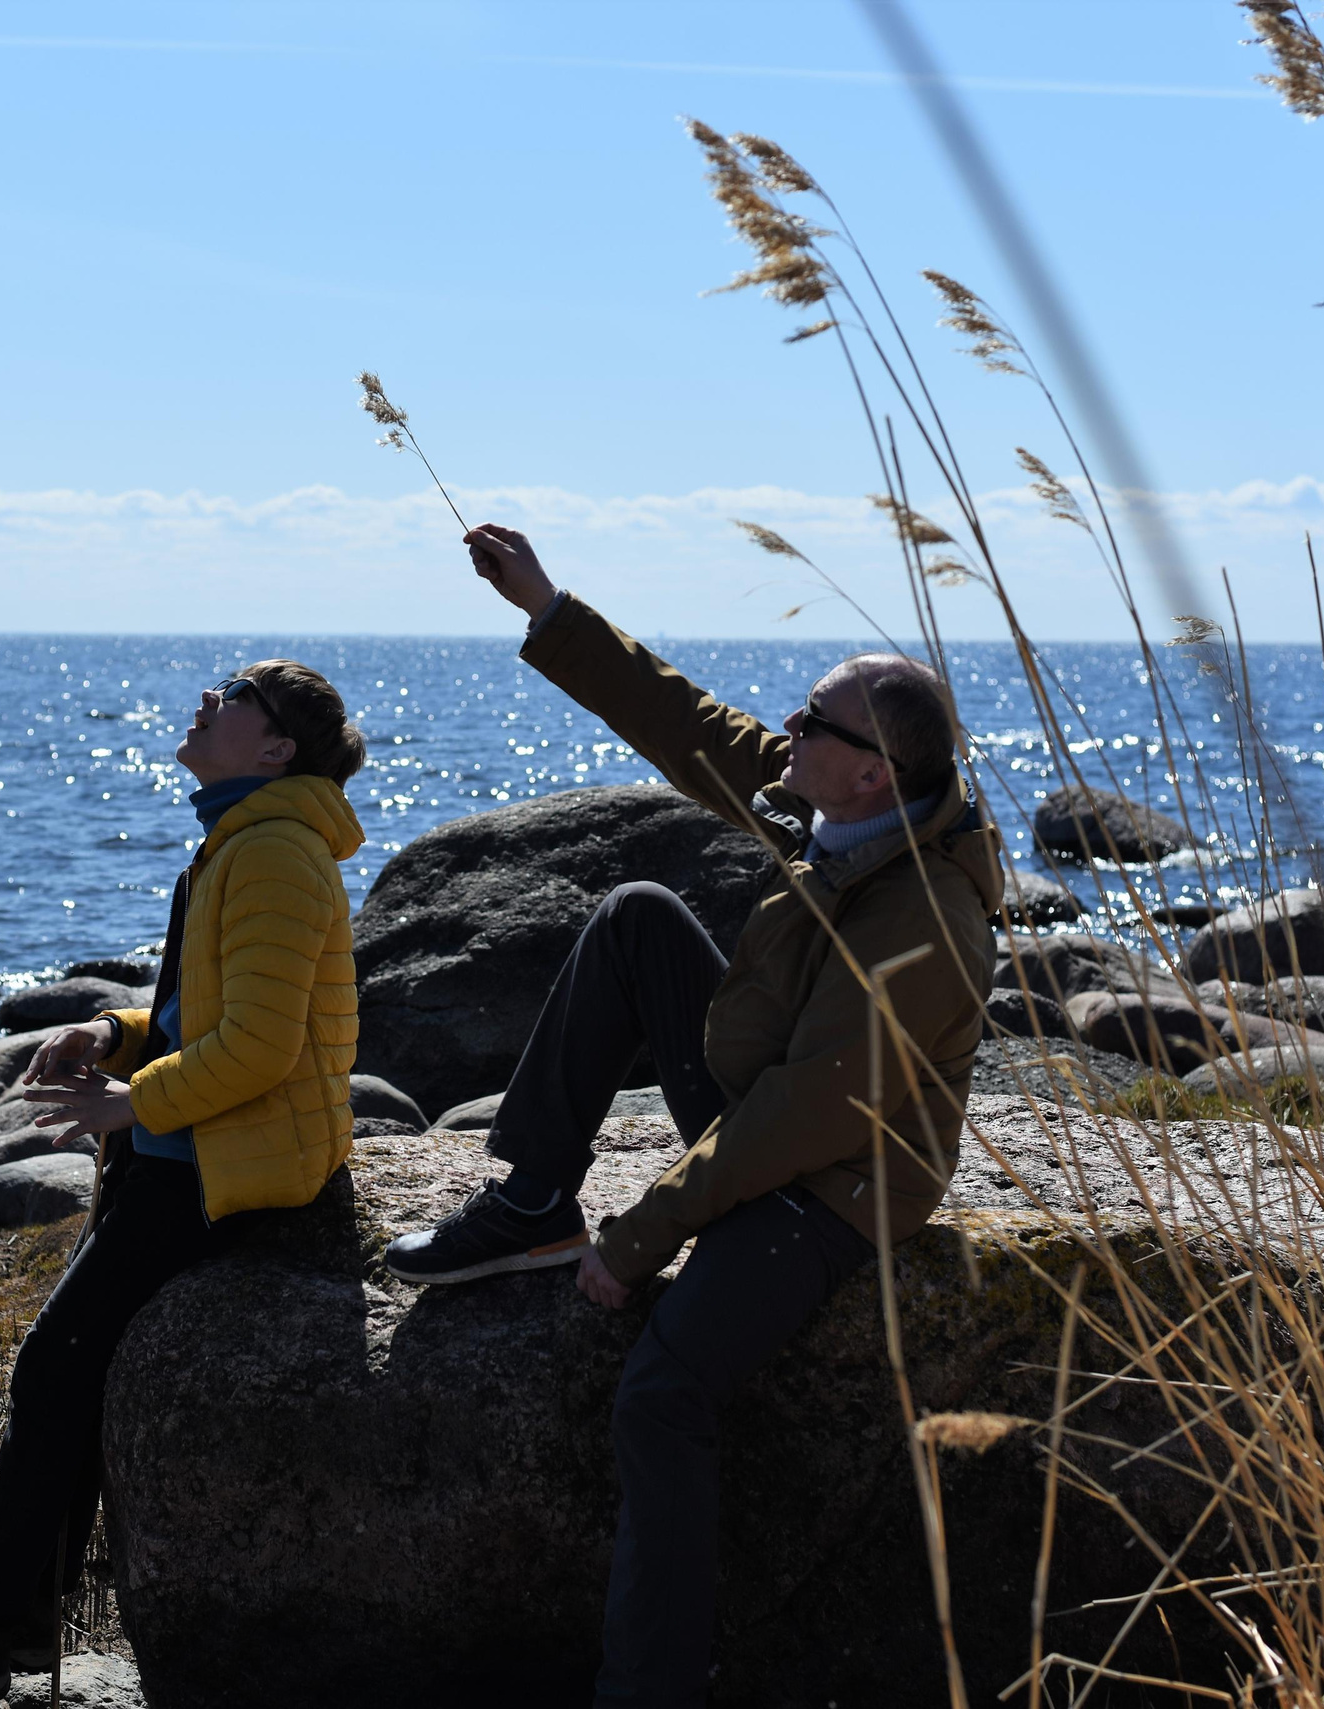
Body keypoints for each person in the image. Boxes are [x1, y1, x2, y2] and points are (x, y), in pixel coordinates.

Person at [382, 524, 1002, 1707]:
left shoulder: (924, 918)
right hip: (769, 1105)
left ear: (871, 769)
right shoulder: (840, 819)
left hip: (834, 1180)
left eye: (812, 722)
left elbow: (802, 1118)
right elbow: (689, 724)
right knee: (635, 915)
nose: (786, 732)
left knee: (663, 1393)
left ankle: (648, 1687)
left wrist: (645, 1231)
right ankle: (528, 1194)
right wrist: (547, 604)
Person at [0, 661, 367, 1700]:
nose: (209, 698)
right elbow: (204, 1017)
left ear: (275, 749)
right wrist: (113, 1032)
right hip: (190, 1155)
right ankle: (6, 1623)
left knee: (55, 1368)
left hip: (221, 1173)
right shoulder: (247, 836)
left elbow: (257, 1047)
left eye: (237, 692)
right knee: (64, 1371)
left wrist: (131, 1104)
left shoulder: (273, 853)